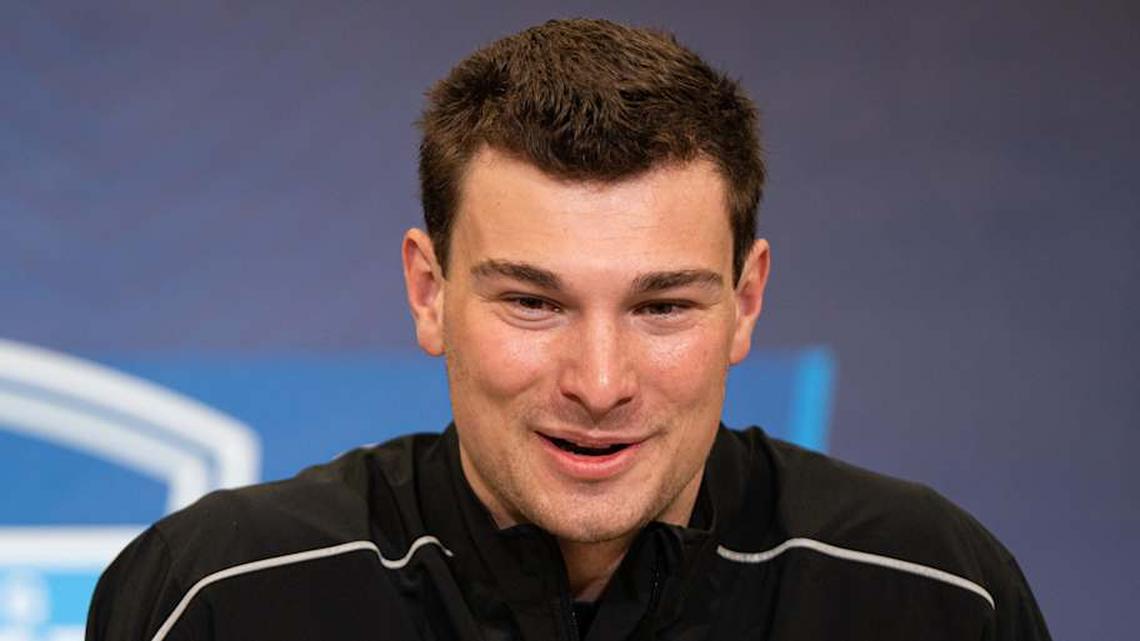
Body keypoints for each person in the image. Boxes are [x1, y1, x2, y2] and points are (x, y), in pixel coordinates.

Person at [86, 18, 1051, 640]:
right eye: (534, 302)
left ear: (746, 301)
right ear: (429, 291)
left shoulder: (932, 596)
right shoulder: (220, 599)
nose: (599, 382)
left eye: (663, 305)